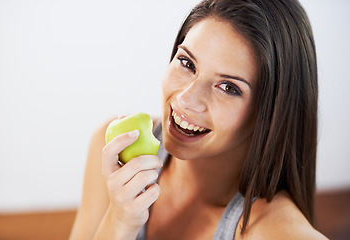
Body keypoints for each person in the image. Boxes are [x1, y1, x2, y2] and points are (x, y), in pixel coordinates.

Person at [69, 0, 328, 239]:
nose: (185, 100)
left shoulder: (275, 230)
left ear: (272, 113)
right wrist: (120, 220)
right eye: (187, 63)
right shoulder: (115, 153)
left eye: (228, 87)